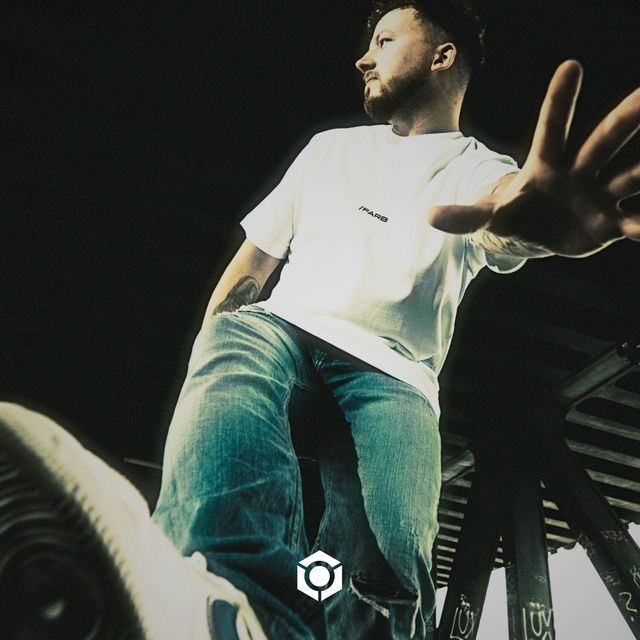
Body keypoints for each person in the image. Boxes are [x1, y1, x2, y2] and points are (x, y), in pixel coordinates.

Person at [1, 2, 638, 640]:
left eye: (384, 41)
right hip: (284, 335)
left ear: (443, 57)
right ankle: (222, 596)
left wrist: (532, 224)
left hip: (394, 377)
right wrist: (212, 360)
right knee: (234, 339)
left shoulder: (478, 169)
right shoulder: (329, 150)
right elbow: (252, 264)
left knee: (380, 561)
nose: (364, 57)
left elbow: (503, 216)